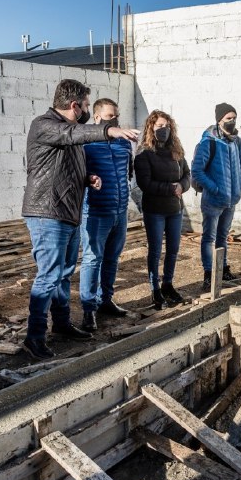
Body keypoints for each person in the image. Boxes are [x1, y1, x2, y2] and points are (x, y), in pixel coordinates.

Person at [21, 79, 138, 360]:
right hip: (46, 213)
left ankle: (61, 324)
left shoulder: (68, 134)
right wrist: (111, 130)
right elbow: (73, 134)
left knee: (62, 274)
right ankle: (34, 337)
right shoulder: (45, 124)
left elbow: (61, 164)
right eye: (86, 105)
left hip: (67, 212)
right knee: (48, 276)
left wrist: (87, 178)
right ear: (75, 105)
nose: (87, 109)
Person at [78, 98, 133, 333]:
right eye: (111, 116)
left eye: (117, 115)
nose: (116, 120)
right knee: (92, 259)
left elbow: (128, 173)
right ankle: (88, 309)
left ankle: (106, 299)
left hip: (120, 211)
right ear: (97, 118)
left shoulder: (124, 144)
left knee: (113, 257)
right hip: (96, 212)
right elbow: (80, 174)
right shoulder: (86, 143)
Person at [134, 110, 190, 309]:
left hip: (175, 209)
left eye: (166, 126)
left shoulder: (176, 150)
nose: (163, 130)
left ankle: (168, 284)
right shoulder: (144, 154)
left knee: (173, 249)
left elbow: (186, 174)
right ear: (151, 128)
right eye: (159, 126)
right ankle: (154, 288)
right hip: (155, 210)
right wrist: (171, 188)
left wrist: (182, 186)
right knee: (156, 250)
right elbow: (145, 184)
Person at [191, 102, 241, 290]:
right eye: (228, 118)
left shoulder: (236, 141)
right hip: (213, 200)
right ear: (219, 120)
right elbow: (197, 171)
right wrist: (214, 188)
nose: (232, 121)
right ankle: (208, 274)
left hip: (231, 199)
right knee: (209, 237)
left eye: (234, 118)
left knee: (223, 236)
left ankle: (222, 269)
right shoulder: (209, 142)